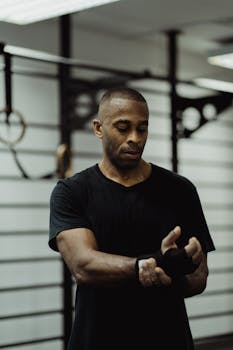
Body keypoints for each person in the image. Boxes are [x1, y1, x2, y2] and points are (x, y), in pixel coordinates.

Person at [49, 87, 215, 350]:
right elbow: (83, 264)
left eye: (142, 128)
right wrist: (147, 265)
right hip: (97, 339)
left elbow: (199, 277)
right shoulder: (72, 191)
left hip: (167, 339)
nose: (135, 138)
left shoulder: (180, 190)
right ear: (98, 128)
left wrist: (176, 272)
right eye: (123, 128)